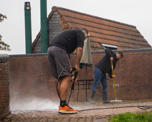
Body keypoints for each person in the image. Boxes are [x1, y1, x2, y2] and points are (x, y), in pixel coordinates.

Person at [48, 28, 88, 113]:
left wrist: (71, 71)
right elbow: (80, 49)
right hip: (59, 49)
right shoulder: (81, 33)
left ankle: (62, 104)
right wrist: (77, 65)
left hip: (51, 49)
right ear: (85, 35)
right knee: (66, 77)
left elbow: (66, 56)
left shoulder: (70, 36)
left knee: (61, 78)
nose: (84, 40)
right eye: (85, 38)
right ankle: (63, 106)